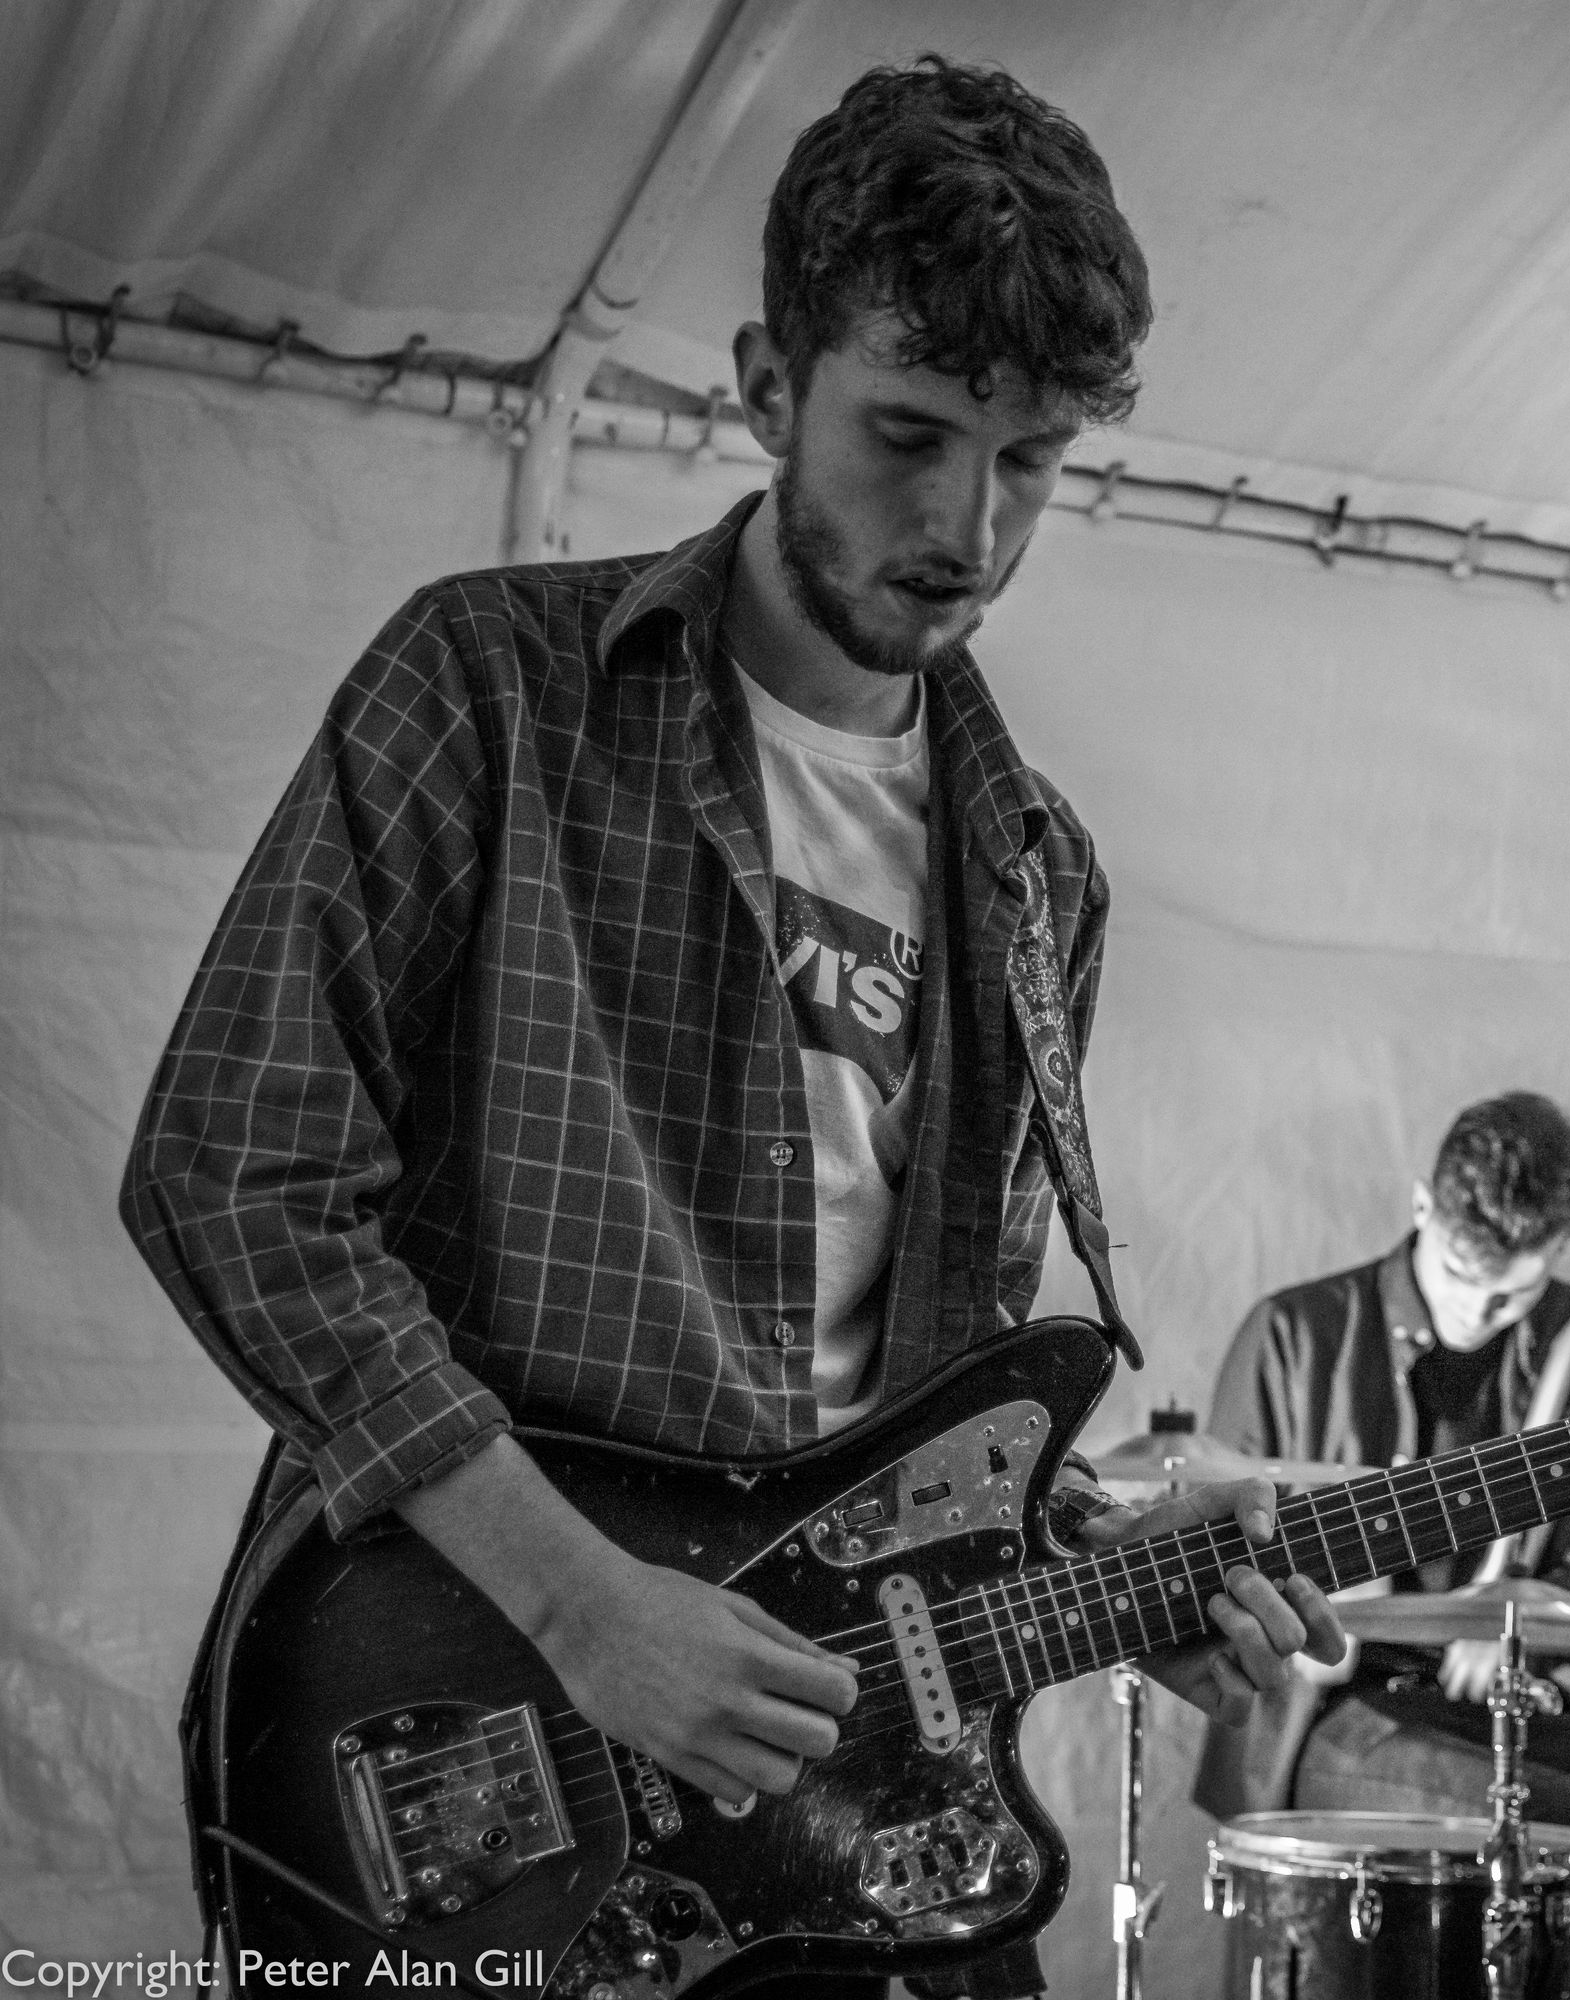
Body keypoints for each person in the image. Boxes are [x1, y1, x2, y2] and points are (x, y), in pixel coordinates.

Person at [121, 56, 1341, 2000]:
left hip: (832, 1834)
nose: (964, 524)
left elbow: (924, 1420)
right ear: (769, 385)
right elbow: (235, 1176)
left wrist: (1109, 1580)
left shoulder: (1038, 876)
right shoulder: (490, 686)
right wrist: (581, 1603)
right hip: (478, 1738)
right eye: (907, 432)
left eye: (1027, 460)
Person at [1193, 1091, 1570, 1847]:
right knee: (1557, 1813)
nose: (1477, 1311)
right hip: (1320, 1713)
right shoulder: (1290, 1333)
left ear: (1565, 1242)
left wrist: (1523, 1610)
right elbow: (1202, 1564)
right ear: (1421, 1206)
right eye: (1457, 1273)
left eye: (1513, 1294)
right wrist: (1295, 1624)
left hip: (1487, 1699)